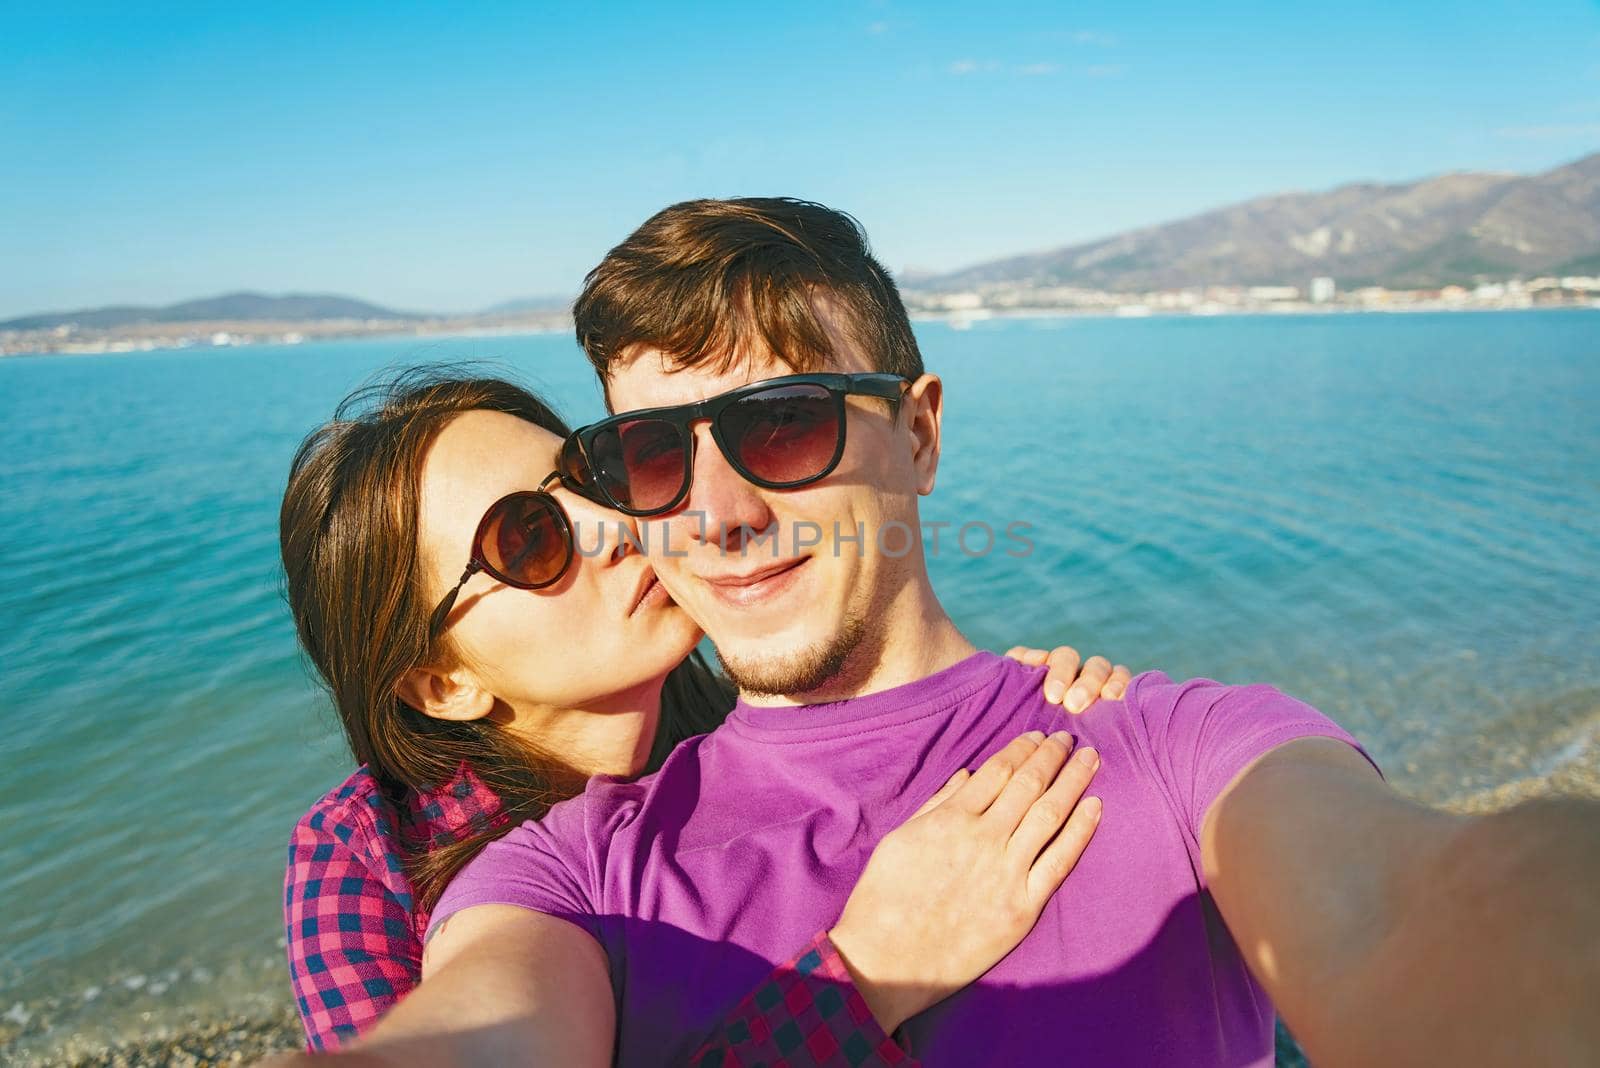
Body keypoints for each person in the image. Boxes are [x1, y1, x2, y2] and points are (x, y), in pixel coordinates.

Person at [294, 199, 1600, 1067]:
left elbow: (1416, 907)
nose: (714, 517)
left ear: (917, 432)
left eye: (785, 424)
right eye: (646, 458)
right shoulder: (555, 873)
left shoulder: (1165, 748)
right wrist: (859, 974)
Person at [277, 371, 1130, 1059]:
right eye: (527, 539)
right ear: (441, 684)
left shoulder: (756, 720)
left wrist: (1016, 703)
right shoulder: (369, 857)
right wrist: (870, 971)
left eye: (588, 479)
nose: (613, 525)